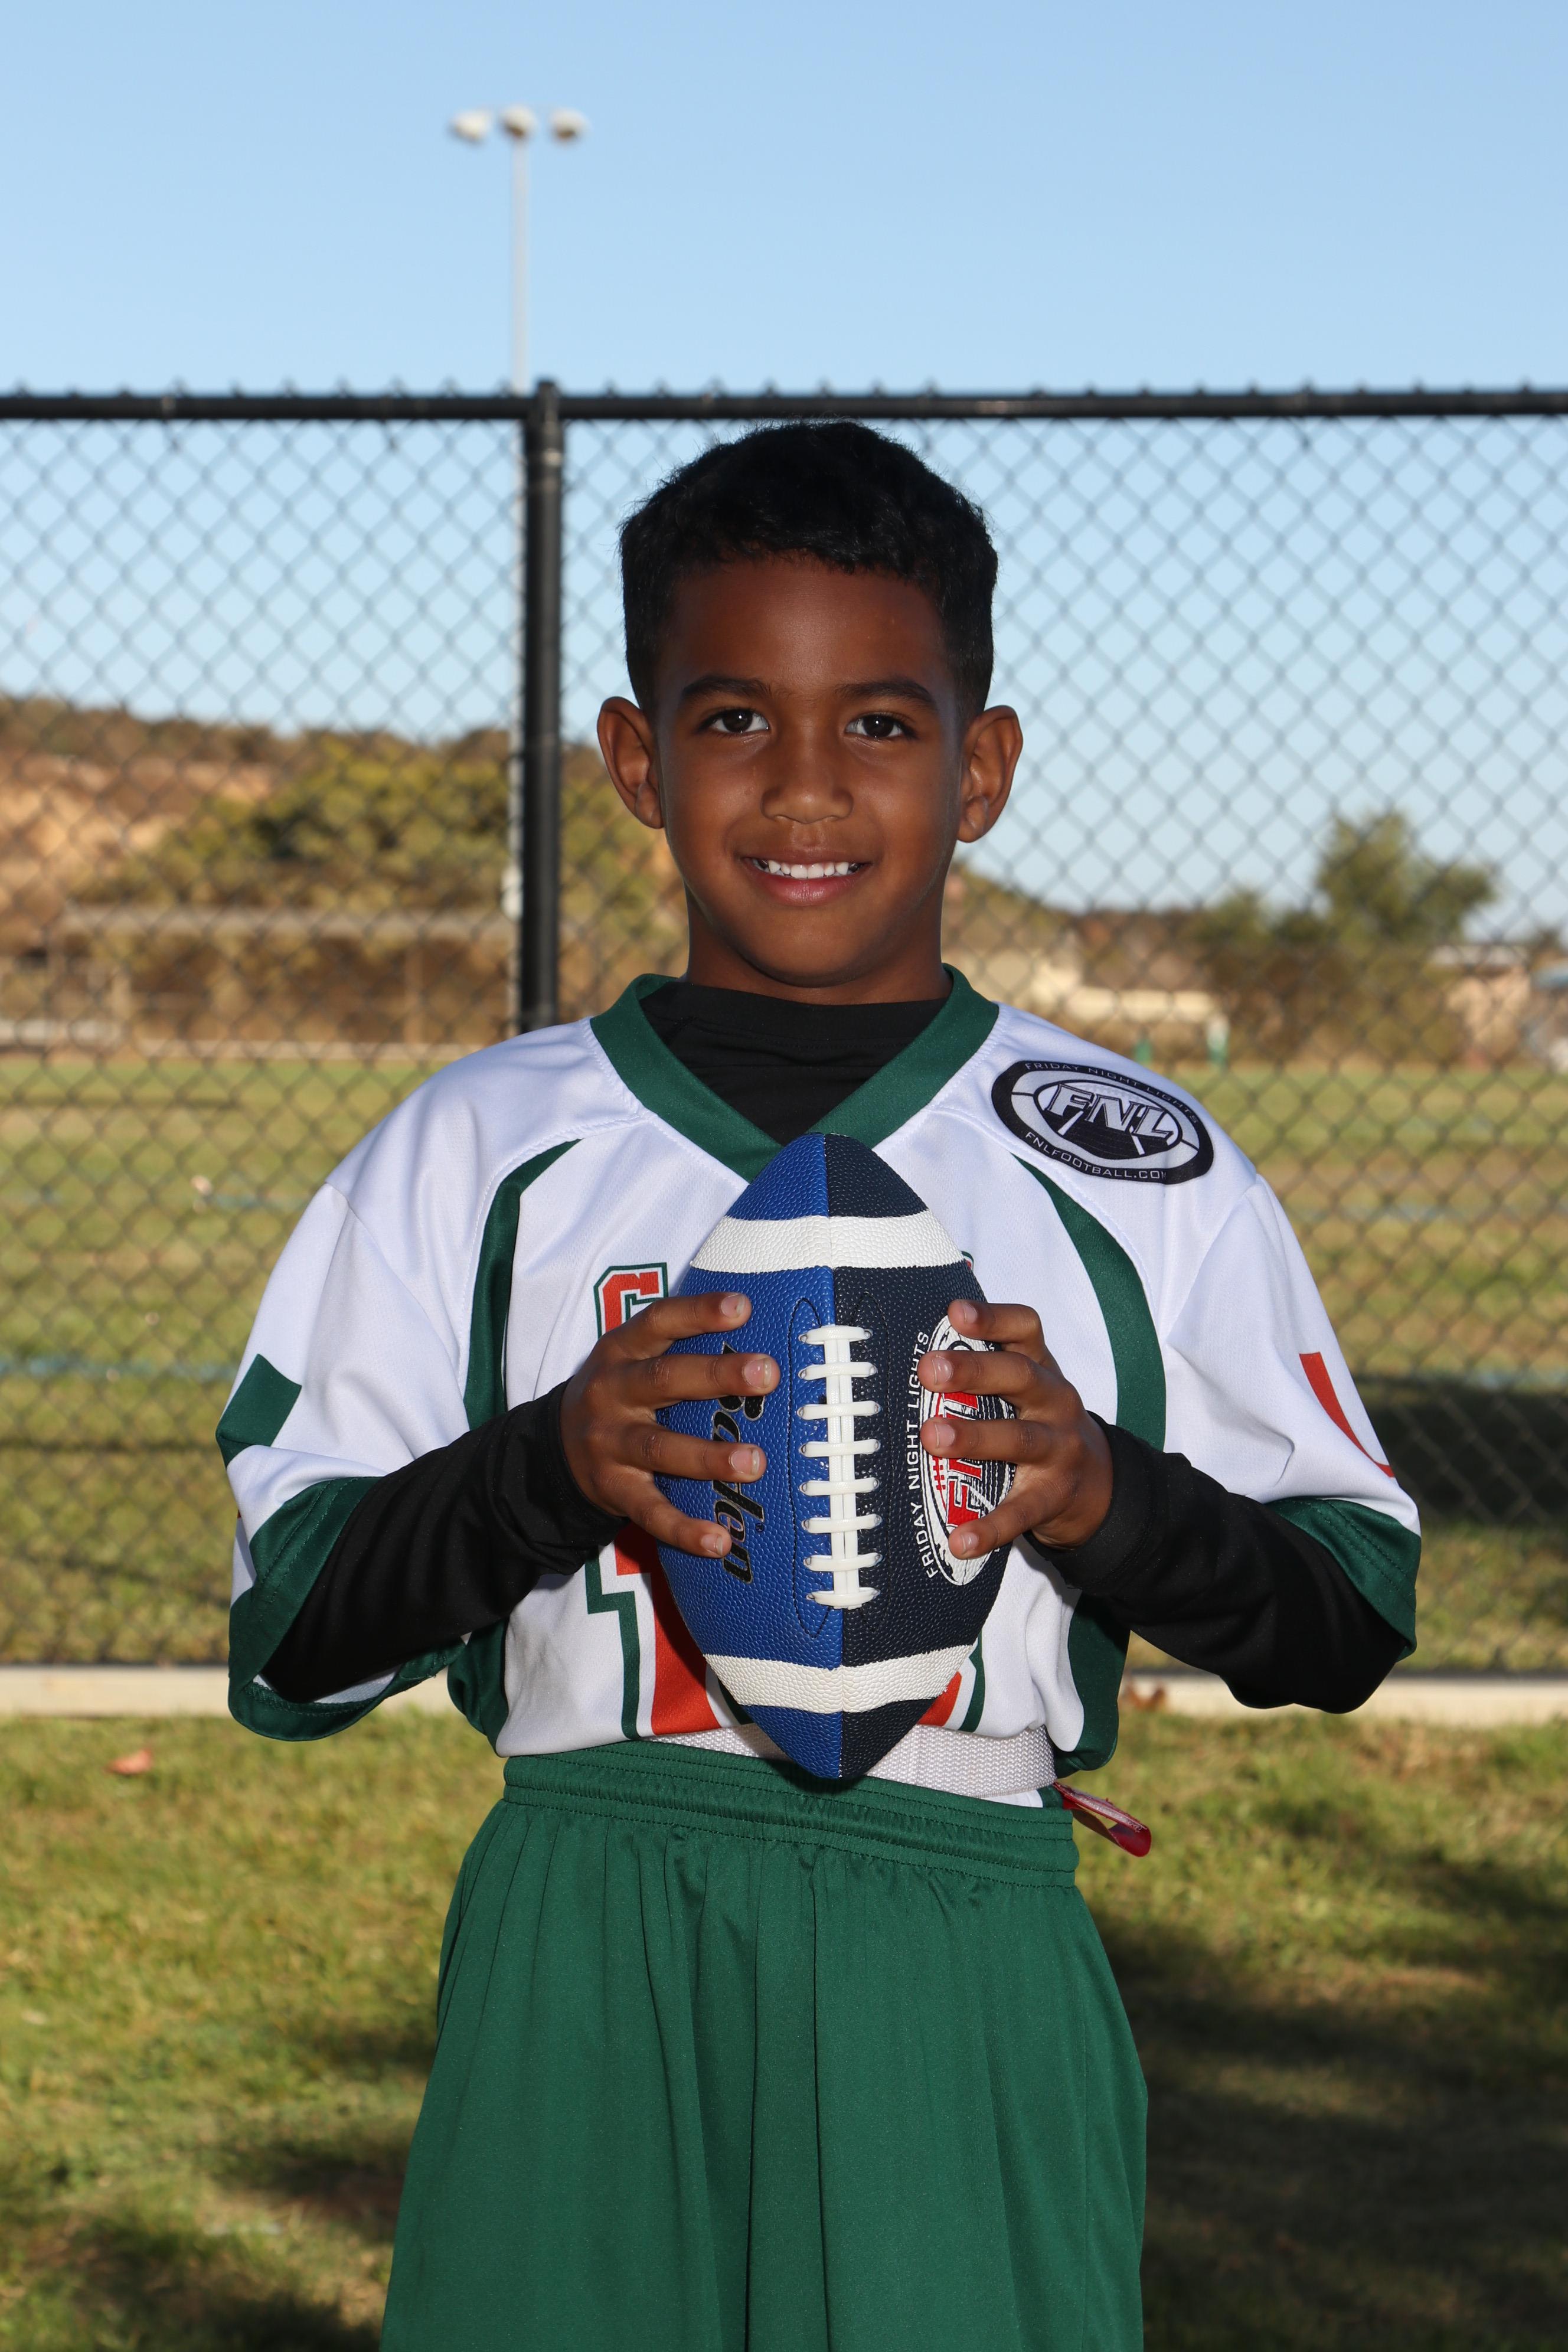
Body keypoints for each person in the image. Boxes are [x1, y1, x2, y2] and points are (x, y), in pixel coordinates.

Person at [219, 423, 1419, 2351]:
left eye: (876, 723)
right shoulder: (476, 1147)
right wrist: (551, 1465)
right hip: (585, 1924)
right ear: (637, 760)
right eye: (732, 722)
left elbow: (1345, 1615)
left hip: (965, 1927)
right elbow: (290, 1640)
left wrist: (1103, 1494)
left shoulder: (1134, 1160)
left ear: (981, 765)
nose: (802, 787)